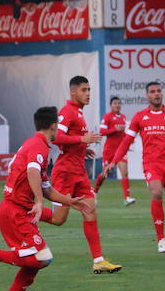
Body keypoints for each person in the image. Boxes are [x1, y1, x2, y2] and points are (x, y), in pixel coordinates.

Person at [0, 106, 94, 291]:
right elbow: (32, 172)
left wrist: (69, 201)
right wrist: (38, 201)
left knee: (35, 263)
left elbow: (46, 187)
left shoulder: (36, 145)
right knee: (42, 258)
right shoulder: (39, 146)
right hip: (16, 211)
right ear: (53, 126)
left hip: (19, 210)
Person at [104, 82, 165, 253]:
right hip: (152, 164)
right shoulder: (140, 117)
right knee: (156, 192)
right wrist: (114, 161)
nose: (156, 94)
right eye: (152, 92)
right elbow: (126, 142)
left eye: (159, 91)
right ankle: (160, 239)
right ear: (147, 95)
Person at [44, 76, 122, 274]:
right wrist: (82, 139)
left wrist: (81, 147)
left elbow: (66, 140)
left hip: (79, 171)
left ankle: (98, 260)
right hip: (65, 173)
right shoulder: (67, 112)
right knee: (58, 219)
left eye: (89, 90)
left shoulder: (78, 112)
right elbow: (55, 137)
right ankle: (25, 211)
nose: (88, 93)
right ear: (73, 92)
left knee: (90, 210)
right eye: (84, 90)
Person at [93, 96, 136, 206]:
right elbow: (102, 132)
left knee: (125, 172)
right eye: (115, 103)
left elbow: (122, 133)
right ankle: (94, 192)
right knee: (104, 174)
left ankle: (127, 198)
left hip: (121, 151)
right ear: (111, 105)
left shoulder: (123, 117)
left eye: (119, 103)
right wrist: (114, 129)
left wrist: (129, 139)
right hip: (109, 151)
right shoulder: (107, 117)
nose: (117, 105)